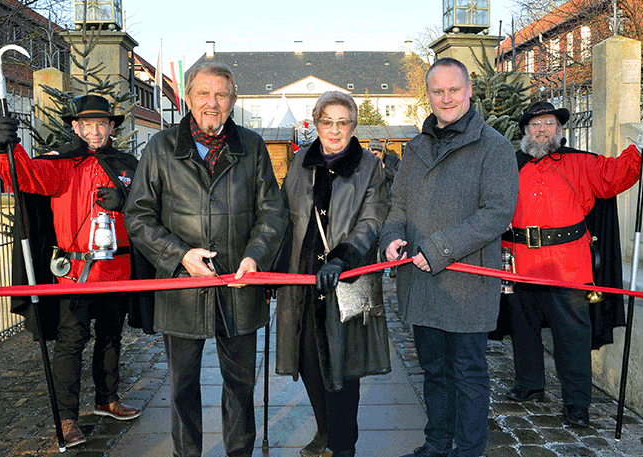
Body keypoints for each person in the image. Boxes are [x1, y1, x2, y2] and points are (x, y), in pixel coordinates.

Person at [123, 61, 288, 457]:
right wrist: (179, 255)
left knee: (241, 384)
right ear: (188, 96)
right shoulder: (161, 147)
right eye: (203, 94)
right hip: (182, 288)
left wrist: (255, 257)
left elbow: (272, 212)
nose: (212, 103)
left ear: (233, 100)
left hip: (240, 285)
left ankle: (239, 452)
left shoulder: (252, 146)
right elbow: (138, 215)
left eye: (221, 95)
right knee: (182, 386)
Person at [379, 58, 518, 457]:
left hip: (467, 285)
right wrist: (391, 238)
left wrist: (439, 248)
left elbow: (497, 213)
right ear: (429, 95)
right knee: (435, 373)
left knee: (468, 375)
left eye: (453, 89)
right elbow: (398, 207)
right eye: (437, 91)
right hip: (421, 285)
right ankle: (437, 445)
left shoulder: (494, 147)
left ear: (469, 89)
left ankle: (468, 451)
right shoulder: (417, 147)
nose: (446, 98)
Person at [0, 94, 143, 448]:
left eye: (101, 124)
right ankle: (66, 419)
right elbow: (23, 175)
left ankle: (106, 399)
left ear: (111, 127)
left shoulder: (127, 163)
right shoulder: (61, 164)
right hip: (74, 273)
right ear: (75, 127)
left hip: (118, 269)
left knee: (111, 336)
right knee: (71, 342)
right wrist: (4, 147)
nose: (95, 131)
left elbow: (151, 198)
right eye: (87, 124)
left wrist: (127, 199)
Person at [502, 101, 643, 427]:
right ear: (526, 131)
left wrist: (638, 152)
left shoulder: (581, 163)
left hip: (567, 265)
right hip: (518, 262)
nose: (541, 130)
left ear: (559, 131)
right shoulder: (510, 165)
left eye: (548, 124)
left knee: (572, 336)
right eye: (535, 125)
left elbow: (614, 176)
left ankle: (576, 402)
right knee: (522, 328)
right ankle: (530, 384)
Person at [276, 91, 391, 457]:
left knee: (345, 369)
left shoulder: (369, 166)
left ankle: (343, 446)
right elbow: (281, 215)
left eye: (344, 122)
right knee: (309, 363)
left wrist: (343, 258)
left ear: (353, 126)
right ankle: (324, 431)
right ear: (316, 123)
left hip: (347, 280)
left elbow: (373, 219)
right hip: (303, 281)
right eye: (328, 121)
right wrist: (274, 266)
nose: (335, 129)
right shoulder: (299, 163)